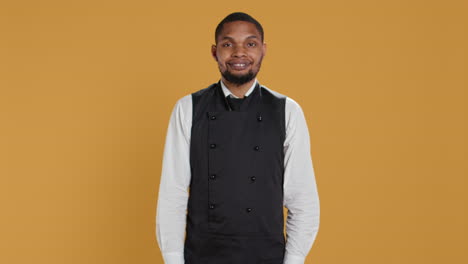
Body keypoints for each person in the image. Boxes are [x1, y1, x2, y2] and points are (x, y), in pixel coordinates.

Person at [156, 12, 320, 264]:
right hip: (203, 256)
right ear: (215, 51)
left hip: (267, 256)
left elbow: (302, 198)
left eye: (250, 44)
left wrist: (295, 259)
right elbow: (173, 194)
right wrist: (173, 259)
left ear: (263, 50)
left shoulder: (288, 111)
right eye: (228, 44)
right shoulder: (188, 108)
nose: (239, 53)